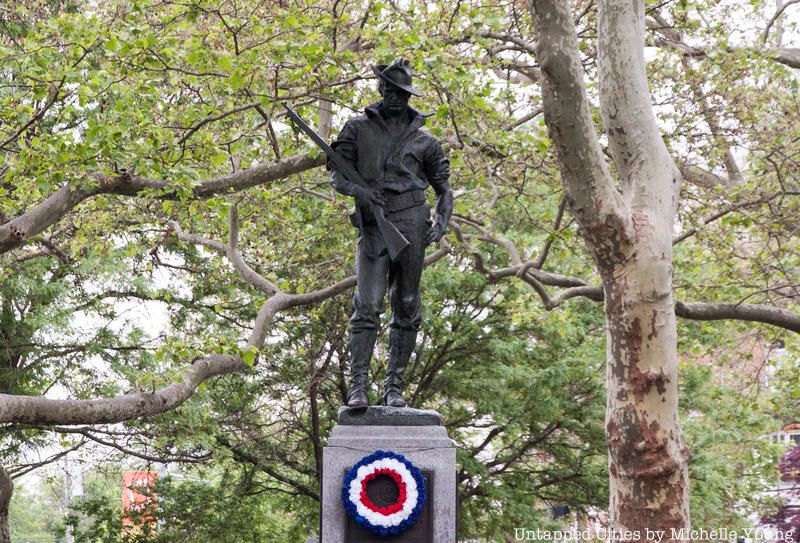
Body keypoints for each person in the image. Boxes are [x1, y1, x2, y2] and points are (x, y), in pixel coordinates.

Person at [328, 58, 454, 408]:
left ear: (408, 93)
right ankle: (358, 388)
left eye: (401, 90)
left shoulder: (426, 141)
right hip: (373, 223)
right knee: (367, 303)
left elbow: (444, 189)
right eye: (389, 89)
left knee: (408, 304)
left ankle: (394, 388)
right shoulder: (356, 129)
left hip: (413, 221)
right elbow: (338, 174)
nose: (394, 96)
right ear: (380, 89)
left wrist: (440, 224)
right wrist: (359, 192)